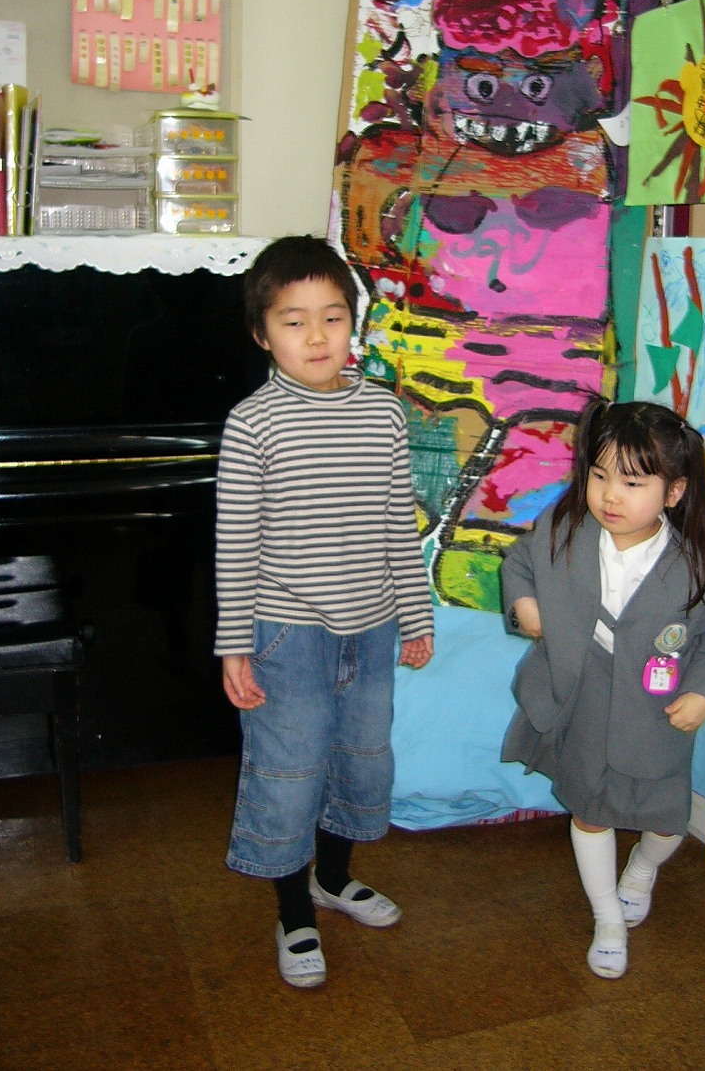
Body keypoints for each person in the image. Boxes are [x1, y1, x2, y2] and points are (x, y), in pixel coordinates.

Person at [214, 235, 434, 989]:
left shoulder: (383, 414)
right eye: (294, 320)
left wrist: (417, 615)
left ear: (353, 323)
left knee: (362, 759)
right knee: (289, 768)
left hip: (372, 627)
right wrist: (234, 645)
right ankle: (292, 911)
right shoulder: (253, 424)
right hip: (286, 632)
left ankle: (333, 878)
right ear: (261, 334)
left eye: (332, 317)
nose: (316, 337)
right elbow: (235, 544)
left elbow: (396, 524)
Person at [501, 397, 705, 979]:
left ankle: (642, 869)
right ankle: (607, 918)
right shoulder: (564, 529)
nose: (610, 496)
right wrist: (524, 606)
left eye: (633, 483)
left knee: (666, 822)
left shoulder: (703, 566)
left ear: (674, 492)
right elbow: (518, 563)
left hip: (654, 711)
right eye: (599, 476)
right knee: (590, 812)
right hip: (581, 696)